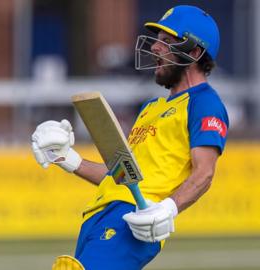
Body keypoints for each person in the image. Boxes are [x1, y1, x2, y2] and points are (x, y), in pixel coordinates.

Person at [31, 5, 228, 270]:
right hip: (98, 214)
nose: (155, 48)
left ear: (194, 52)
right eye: (157, 41)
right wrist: (69, 159)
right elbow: (122, 174)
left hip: (136, 218)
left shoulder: (204, 103)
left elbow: (205, 172)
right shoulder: (150, 108)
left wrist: (170, 208)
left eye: (167, 42)